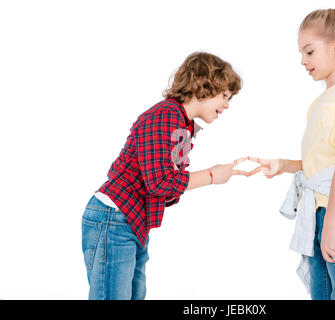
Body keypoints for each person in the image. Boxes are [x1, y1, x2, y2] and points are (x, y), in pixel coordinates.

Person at [81, 52, 251, 300]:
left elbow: (165, 188)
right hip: (113, 219)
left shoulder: (183, 123)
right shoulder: (166, 115)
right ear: (203, 87)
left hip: (133, 222)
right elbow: (160, 183)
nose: (226, 104)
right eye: (224, 96)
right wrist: (213, 175)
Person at [247, 9, 335, 300]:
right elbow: (323, 162)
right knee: (321, 294)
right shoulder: (326, 97)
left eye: (309, 51)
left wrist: (333, 224)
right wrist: (282, 165)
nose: (303, 61)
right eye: (301, 52)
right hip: (318, 211)